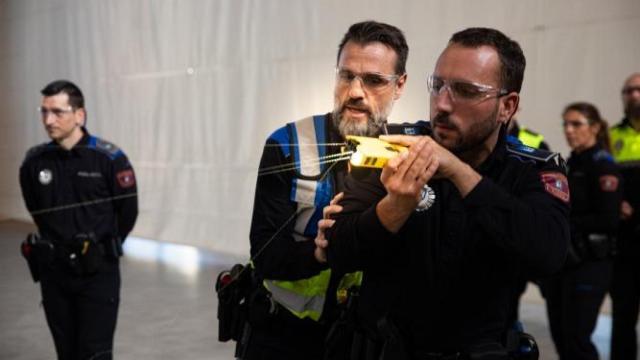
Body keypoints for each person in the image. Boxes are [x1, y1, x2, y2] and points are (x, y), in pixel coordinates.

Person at [320, 27, 570, 359]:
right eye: (437, 85)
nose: (442, 103)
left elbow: (547, 254)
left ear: (507, 106)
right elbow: (338, 249)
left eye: (466, 91)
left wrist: (456, 170)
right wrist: (396, 207)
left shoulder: (531, 169)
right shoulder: (394, 147)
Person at [245, 21, 408, 360]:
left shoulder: (406, 151)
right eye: (346, 76)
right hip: (283, 336)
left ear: (399, 85)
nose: (355, 92)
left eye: (374, 80)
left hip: (361, 338)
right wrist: (319, 253)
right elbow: (264, 254)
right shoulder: (288, 144)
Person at [19, 80, 138, 360]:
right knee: (66, 352)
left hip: (97, 274)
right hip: (54, 273)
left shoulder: (109, 159)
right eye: (44, 111)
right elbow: (35, 209)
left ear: (80, 115)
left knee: (94, 353)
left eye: (58, 112)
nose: (49, 120)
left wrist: (101, 247)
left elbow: (127, 213)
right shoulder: (34, 162)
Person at [540, 102, 621, 360]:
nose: (569, 130)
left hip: (590, 263)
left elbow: (609, 219)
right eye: (565, 124)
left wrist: (565, 223)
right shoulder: (570, 163)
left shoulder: (603, 165)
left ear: (595, 128)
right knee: (561, 336)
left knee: (578, 340)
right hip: (565, 263)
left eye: (576, 124)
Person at [610, 72, 640, 360]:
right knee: (623, 316)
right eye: (628, 91)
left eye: (638, 90)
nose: (633, 95)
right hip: (625, 244)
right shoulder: (612, 136)